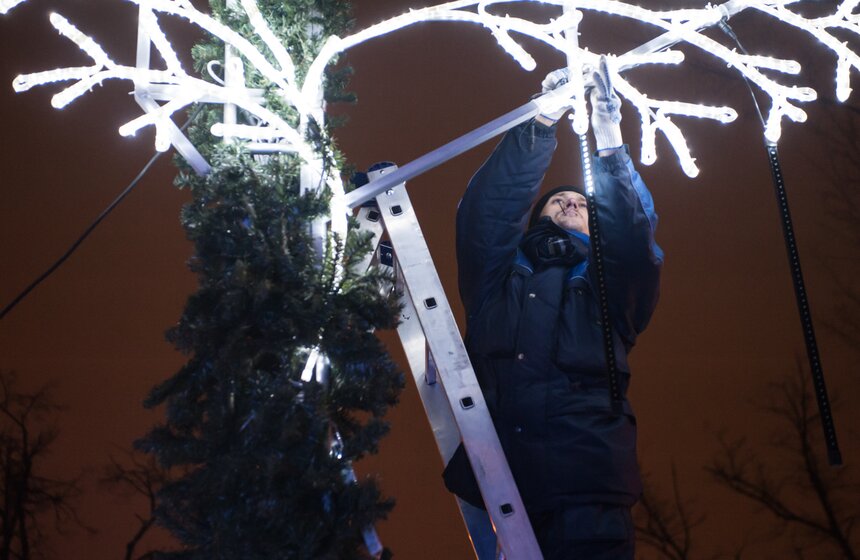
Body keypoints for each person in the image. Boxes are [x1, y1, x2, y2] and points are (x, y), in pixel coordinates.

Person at [443, 58, 663, 559]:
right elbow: (488, 212)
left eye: (581, 203)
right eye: (557, 200)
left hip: (586, 489)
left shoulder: (610, 286)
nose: (568, 202)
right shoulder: (500, 275)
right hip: (501, 482)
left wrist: (610, 147)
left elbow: (634, 238)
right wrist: (540, 121)